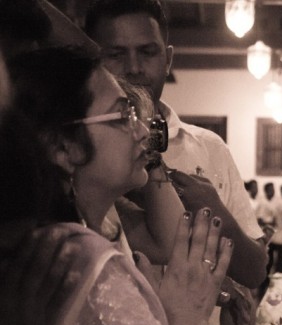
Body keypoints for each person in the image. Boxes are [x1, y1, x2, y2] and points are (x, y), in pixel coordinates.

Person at [2, 46, 232, 325]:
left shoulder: (67, 235)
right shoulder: (81, 263)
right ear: (63, 146)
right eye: (123, 115)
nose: (142, 132)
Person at [84, 0, 267, 287]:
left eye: (147, 52)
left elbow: (255, 272)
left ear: (167, 59)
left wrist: (214, 213)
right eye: (116, 54)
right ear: (92, 59)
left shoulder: (209, 147)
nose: (133, 68)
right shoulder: (83, 152)